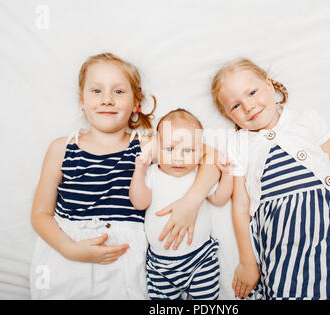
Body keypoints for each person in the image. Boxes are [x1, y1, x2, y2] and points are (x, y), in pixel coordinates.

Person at [29, 53, 218, 299]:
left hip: (125, 257)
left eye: (119, 92)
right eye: (96, 91)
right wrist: (69, 248)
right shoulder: (62, 148)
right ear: (82, 100)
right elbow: (40, 214)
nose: (107, 99)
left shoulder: (146, 146)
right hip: (67, 253)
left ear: (136, 104)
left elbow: (211, 157)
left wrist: (191, 202)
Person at [210, 58, 330, 300]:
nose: (249, 106)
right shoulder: (240, 144)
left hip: (324, 218)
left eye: (252, 93)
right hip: (279, 232)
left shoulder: (306, 120)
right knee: (285, 284)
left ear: (269, 86)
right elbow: (241, 207)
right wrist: (247, 261)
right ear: (228, 116)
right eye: (236, 106)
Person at [130, 108, 233, 300]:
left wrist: (226, 175)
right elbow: (139, 203)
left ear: (200, 151)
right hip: (160, 265)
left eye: (188, 150)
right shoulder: (153, 174)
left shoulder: (198, 175)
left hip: (200, 257)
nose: (178, 157)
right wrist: (139, 172)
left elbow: (220, 199)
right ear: (157, 149)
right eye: (169, 149)